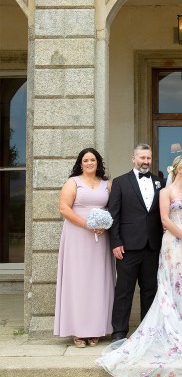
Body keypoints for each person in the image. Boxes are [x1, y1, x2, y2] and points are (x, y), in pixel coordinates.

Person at [96, 155, 182, 377]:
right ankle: (164, 330)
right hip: (174, 243)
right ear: (178, 169)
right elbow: (164, 218)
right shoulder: (164, 192)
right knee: (171, 285)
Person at [54, 148, 115, 347]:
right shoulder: (73, 183)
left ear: (98, 162)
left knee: (99, 281)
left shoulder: (107, 184)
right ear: (81, 163)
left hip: (101, 238)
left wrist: (105, 226)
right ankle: (78, 330)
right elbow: (64, 208)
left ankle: (96, 328)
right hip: (78, 236)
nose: (90, 163)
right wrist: (87, 225)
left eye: (93, 159)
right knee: (78, 281)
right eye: (86, 160)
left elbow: (114, 209)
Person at [108, 143, 164, 342]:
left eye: (148, 158)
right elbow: (113, 215)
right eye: (142, 158)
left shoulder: (160, 182)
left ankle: (147, 333)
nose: (146, 162)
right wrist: (116, 242)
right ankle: (119, 333)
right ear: (134, 159)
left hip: (153, 245)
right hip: (127, 246)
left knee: (150, 290)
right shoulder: (120, 182)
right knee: (124, 290)